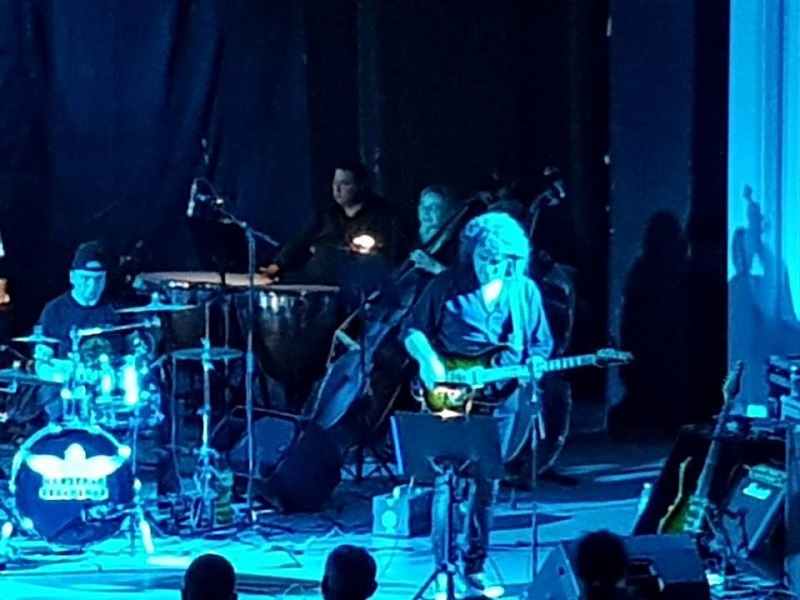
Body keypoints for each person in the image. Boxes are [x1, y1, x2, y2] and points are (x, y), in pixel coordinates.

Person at [402, 212, 553, 594]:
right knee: (447, 483)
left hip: (501, 402)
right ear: (471, 252)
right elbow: (412, 331)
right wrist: (430, 361)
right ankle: (443, 568)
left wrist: (535, 365)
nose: (491, 268)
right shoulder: (446, 285)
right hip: (449, 396)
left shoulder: (524, 292)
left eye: (500, 261)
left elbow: (541, 344)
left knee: (487, 486)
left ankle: (475, 567)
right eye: (485, 258)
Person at [261, 160, 400, 299]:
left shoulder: (382, 216)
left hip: (357, 289)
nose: (337, 189)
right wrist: (278, 265)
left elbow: (385, 255)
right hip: (317, 283)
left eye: (345, 184)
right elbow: (302, 240)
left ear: (361, 185)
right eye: (335, 183)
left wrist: (326, 249)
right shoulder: (329, 215)